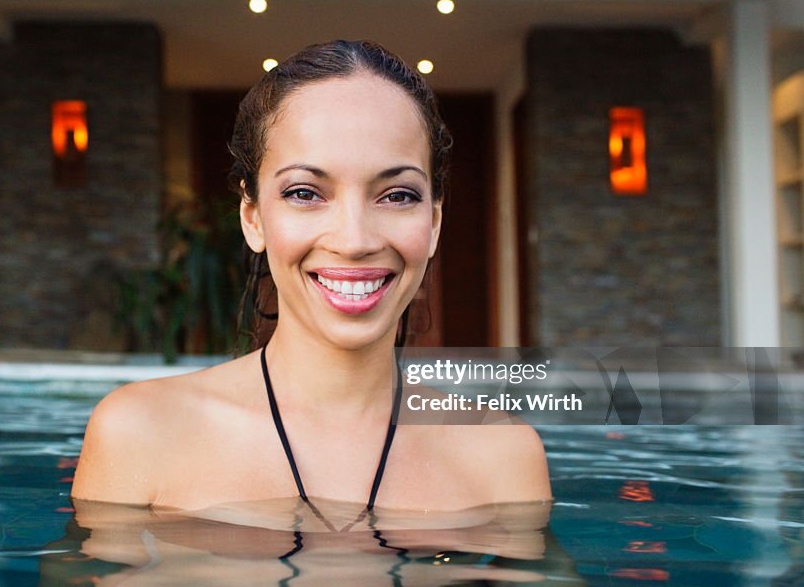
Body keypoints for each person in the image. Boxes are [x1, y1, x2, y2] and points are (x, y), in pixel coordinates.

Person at [71, 40, 551, 512]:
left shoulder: (501, 455)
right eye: (305, 192)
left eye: (398, 195)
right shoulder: (140, 432)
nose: (354, 240)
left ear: (434, 223)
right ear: (253, 218)